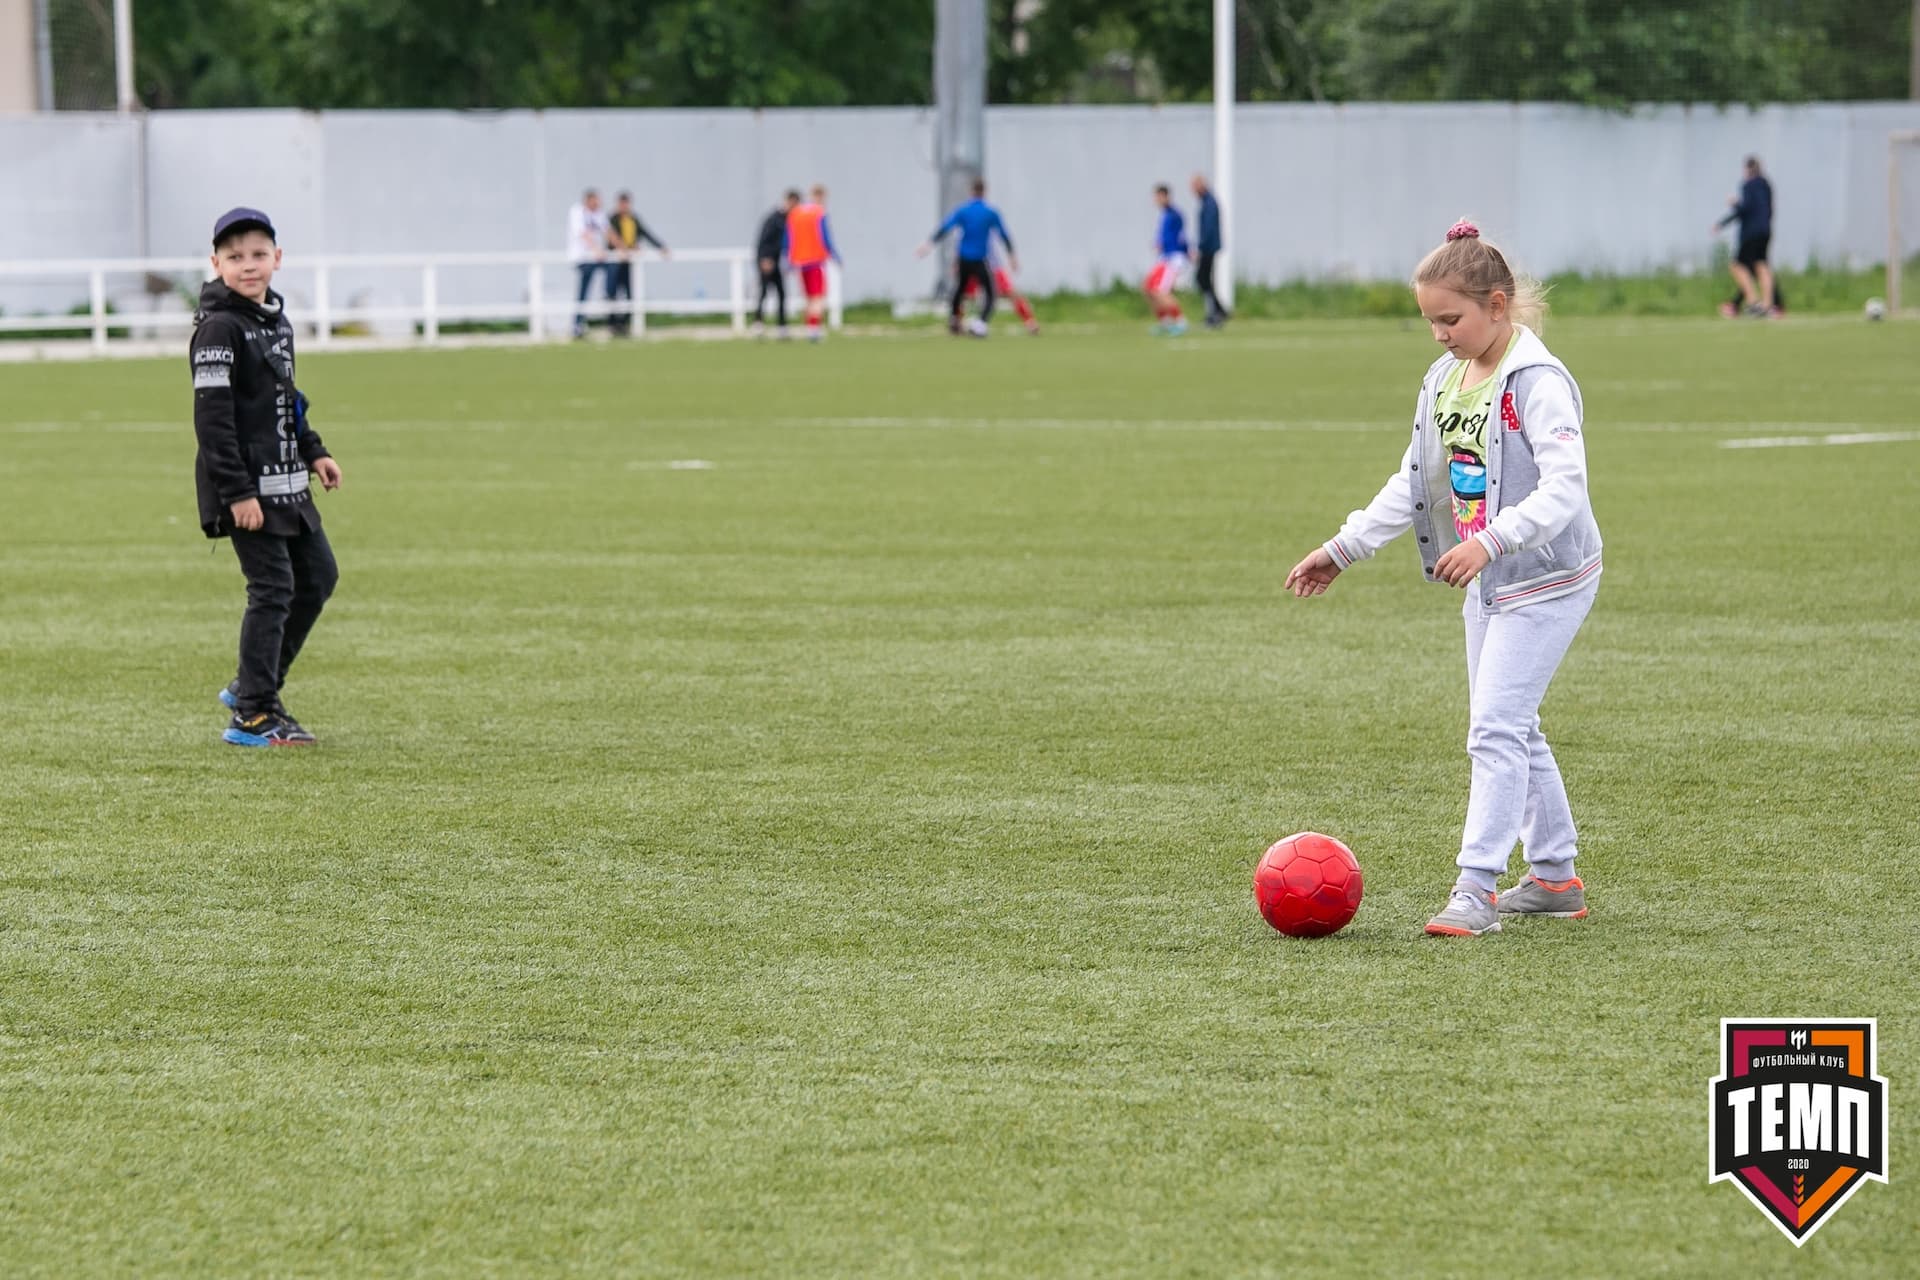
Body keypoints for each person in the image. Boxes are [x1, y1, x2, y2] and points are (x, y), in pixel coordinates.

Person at [1283, 219, 1604, 938]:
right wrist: (1344, 548)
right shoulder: (1446, 378)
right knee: (1512, 727)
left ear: (1498, 304)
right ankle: (1554, 878)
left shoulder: (1538, 383)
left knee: (1493, 728)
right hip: (1490, 579)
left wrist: (1490, 540)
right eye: (1429, 321)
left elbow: (1566, 489)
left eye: (1450, 319)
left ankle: (1475, 890)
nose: (1439, 335)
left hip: (1548, 578)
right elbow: (1417, 479)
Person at [191, 207, 343, 747]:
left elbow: (285, 400)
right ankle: (253, 714)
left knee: (319, 576)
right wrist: (237, 493)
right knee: (274, 588)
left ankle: (254, 687)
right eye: (234, 257)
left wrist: (313, 451)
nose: (248, 265)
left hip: (287, 485)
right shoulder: (218, 328)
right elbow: (212, 420)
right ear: (215, 264)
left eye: (258, 255)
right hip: (246, 490)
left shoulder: (274, 322)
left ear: (277, 259)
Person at [916, 177, 1018, 337]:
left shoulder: (963, 210)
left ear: (971, 192)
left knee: (959, 290)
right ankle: (980, 324)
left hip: (964, 258)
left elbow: (946, 227)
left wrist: (929, 244)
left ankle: (954, 320)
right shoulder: (990, 212)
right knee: (991, 293)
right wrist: (1012, 256)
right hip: (979, 259)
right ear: (984, 192)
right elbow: (1004, 235)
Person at [1714, 156, 1776, 319]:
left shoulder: (1748, 185)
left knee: (1737, 266)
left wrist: (1733, 204)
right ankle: (1767, 305)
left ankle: (1753, 301)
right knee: (1762, 265)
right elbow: (1769, 209)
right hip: (1766, 230)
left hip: (1751, 233)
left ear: (1747, 170)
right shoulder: (1767, 185)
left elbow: (1744, 209)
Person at [605, 191, 669, 338]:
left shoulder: (634, 219)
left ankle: (624, 324)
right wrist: (624, 249)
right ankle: (613, 324)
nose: (624, 206)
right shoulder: (612, 219)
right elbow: (610, 238)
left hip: (629, 263)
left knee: (630, 294)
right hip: (615, 263)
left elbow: (646, 234)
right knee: (612, 293)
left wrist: (661, 247)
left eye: (626, 203)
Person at [785, 184, 841, 343]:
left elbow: (788, 239)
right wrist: (836, 256)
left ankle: (810, 329)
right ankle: (814, 330)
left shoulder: (795, 213)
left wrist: (789, 260)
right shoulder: (819, 213)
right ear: (821, 197)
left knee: (809, 297)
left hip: (800, 261)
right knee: (817, 297)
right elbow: (825, 238)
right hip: (815, 261)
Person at [960, 243, 1040, 335]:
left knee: (1011, 293)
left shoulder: (991, 229)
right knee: (964, 295)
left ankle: (1030, 323)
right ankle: (958, 323)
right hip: (973, 265)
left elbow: (1004, 239)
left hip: (993, 267)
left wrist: (1012, 258)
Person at [1145, 184, 1190, 335]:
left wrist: (1187, 251)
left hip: (1173, 258)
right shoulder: (1165, 214)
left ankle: (1180, 321)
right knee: (1148, 287)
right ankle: (1165, 322)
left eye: (1158, 196)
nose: (1156, 200)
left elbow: (1181, 236)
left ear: (1166, 197)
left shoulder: (1174, 214)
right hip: (1165, 257)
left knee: (1160, 291)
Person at [754, 191, 798, 337]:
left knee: (781, 293)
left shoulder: (787, 219)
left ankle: (781, 326)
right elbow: (763, 240)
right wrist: (764, 259)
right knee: (764, 292)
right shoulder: (774, 218)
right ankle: (758, 323)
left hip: (776, 261)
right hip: (767, 261)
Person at [566, 188, 608, 339]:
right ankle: (577, 325)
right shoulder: (577, 212)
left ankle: (614, 318)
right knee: (583, 293)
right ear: (588, 200)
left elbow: (608, 231)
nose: (598, 203)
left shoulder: (599, 213)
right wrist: (596, 249)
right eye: (596, 200)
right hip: (583, 258)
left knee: (614, 277)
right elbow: (582, 234)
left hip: (597, 258)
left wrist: (623, 248)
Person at [1191, 173, 1229, 328]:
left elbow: (1208, 229)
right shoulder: (1206, 202)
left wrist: (1200, 247)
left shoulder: (1209, 202)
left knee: (1202, 279)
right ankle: (1218, 311)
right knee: (1204, 280)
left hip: (1208, 247)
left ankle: (1216, 312)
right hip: (1208, 246)